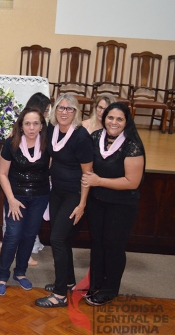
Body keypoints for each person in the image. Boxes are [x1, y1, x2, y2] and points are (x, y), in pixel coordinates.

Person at [81, 102, 145, 306]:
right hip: (97, 202)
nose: (114, 122)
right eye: (110, 117)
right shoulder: (96, 137)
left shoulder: (132, 145)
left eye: (119, 119)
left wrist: (98, 181)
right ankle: (96, 284)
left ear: (127, 122)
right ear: (104, 118)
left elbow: (131, 182)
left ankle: (110, 290)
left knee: (113, 246)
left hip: (121, 206)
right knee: (98, 244)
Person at [35, 93, 93, 308]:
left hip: (74, 194)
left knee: (58, 239)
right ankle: (68, 282)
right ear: (54, 110)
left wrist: (82, 204)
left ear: (76, 112)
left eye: (69, 109)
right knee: (63, 240)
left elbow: (88, 174)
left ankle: (59, 295)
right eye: (61, 107)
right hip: (57, 191)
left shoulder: (81, 137)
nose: (64, 112)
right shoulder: (51, 130)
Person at [0, 107, 50, 295]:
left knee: (29, 235)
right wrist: (11, 199)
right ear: (21, 125)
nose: (31, 127)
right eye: (27, 123)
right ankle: (2, 276)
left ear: (41, 125)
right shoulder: (11, 143)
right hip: (15, 196)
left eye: (35, 123)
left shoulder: (48, 144)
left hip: (39, 197)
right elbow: (2, 173)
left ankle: (20, 272)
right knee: (12, 236)